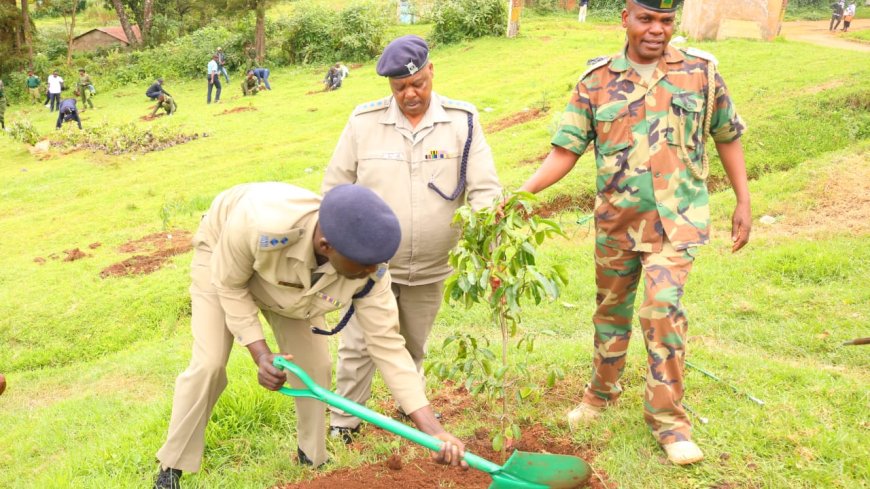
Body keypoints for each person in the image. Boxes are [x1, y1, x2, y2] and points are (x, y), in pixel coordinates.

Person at [517, 0, 751, 466]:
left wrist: (744, 200)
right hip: (617, 223)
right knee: (610, 313)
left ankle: (669, 424)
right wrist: (522, 195)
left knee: (662, 311)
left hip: (676, 222)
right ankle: (599, 396)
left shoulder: (701, 75)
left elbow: (727, 134)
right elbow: (566, 150)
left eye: (666, 21)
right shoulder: (596, 82)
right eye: (647, 19)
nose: (657, 30)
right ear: (625, 18)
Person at [153, 183, 467, 489]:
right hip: (223, 257)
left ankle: (311, 457)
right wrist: (260, 354)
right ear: (327, 246)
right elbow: (230, 286)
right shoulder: (261, 223)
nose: (372, 272)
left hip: (291, 284)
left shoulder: (369, 267)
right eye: (364, 267)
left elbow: (387, 345)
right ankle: (172, 465)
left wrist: (432, 430)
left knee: (315, 366)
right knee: (209, 364)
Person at [323, 35, 502, 444]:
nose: (410, 94)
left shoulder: (462, 122)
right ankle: (343, 423)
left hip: (431, 265)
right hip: (368, 266)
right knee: (357, 347)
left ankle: (411, 405)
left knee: (413, 343)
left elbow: (485, 191)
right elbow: (334, 189)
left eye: (417, 83)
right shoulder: (364, 123)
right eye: (400, 87)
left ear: (431, 72)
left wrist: (489, 245)